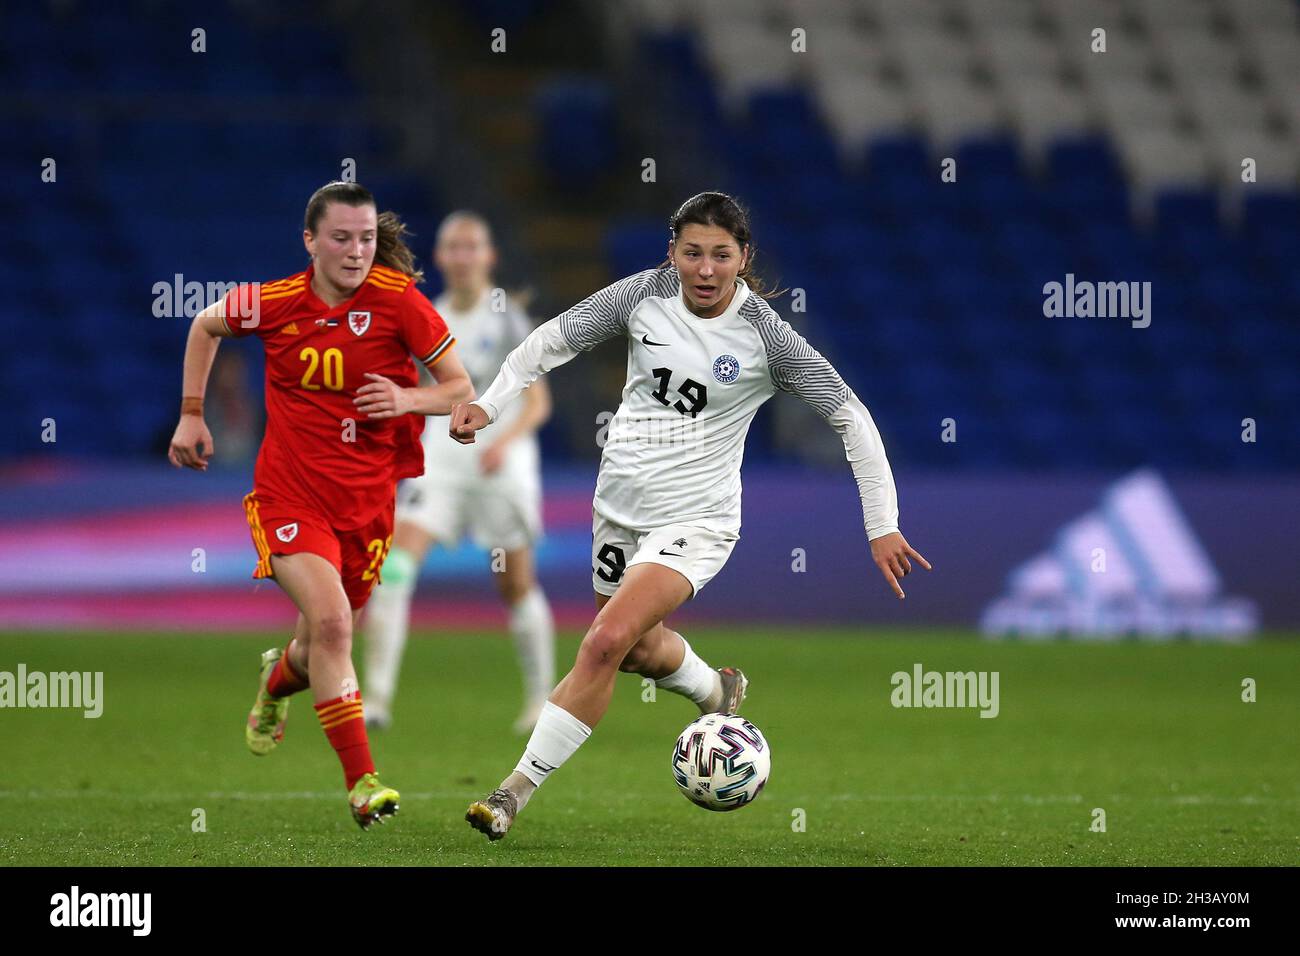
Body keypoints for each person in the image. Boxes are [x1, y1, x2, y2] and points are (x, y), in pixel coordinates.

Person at [451, 191, 930, 841]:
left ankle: (511, 794)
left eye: (721, 255)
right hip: (617, 510)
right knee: (636, 651)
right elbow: (550, 342)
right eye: (693, 253)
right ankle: (715, 689)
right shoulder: (641, 295)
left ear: (744, 258)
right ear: (673, 252)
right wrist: (491, 401)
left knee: (603, 641)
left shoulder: (765, 335)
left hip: (698, 520)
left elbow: (851, 417)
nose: (705, 269)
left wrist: (882, 523)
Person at [167, 181, 474, 829]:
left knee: (320, 642)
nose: (357, 250)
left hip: (368, 505)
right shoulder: (277, 302)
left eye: (365, 238)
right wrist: (192, 415)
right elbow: (204, 323)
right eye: (341, 238)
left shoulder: (400, 303)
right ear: (310, 241)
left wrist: (407, 400)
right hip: (290, 494)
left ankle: (276, 682)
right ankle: (363, 783)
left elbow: (459, 390)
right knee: (335, 625)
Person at [363, 211, 555, 734]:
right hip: (442, 462)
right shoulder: (430, 316)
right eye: (454, 246)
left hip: (502, 465)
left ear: (488, 257)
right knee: (395, 570)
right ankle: (376, 701)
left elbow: (537, 401)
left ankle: (542, 702)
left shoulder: (507, 316)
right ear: (442, 257)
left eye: (473, 246)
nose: (464, 256)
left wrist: (506, 441)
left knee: (515, 585)